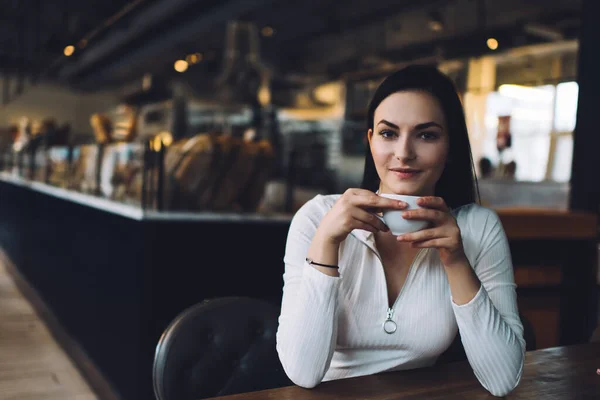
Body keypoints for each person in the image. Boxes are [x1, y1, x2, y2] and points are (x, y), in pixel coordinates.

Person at [276, 65, 525, 397]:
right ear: (371, 141)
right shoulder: (317, 217)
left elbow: (504, 379)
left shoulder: (477, 227)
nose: (404, 153)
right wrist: (326, 242)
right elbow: (303, 373)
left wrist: (456, 261)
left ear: (450, 146)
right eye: (388, 133)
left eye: (426, 134)